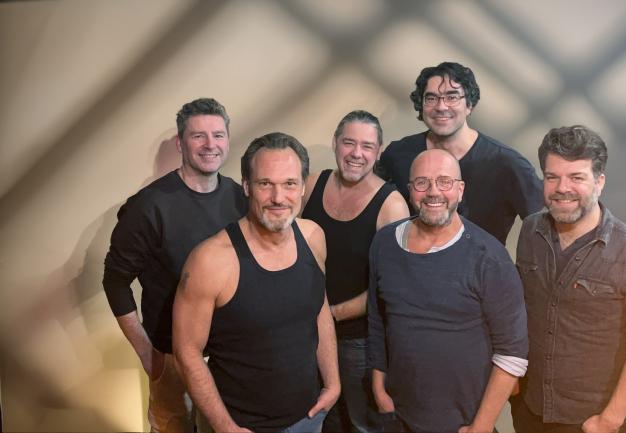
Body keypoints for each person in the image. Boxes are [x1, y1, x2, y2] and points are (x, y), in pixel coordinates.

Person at [173, 132, 340, 433]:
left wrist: (333, 382)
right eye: (265, 184)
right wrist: (224, 427)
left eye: (289, 184)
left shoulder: (313, 236)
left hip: (308, 417)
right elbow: (187, 351)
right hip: (239, 426)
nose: (278, 198)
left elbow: (319, 308)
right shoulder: (210, 260)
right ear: (247, 186)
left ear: (303, 186)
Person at [513, 126, 626, 433]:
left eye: (576, 177)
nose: (562, 188)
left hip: (591, 422)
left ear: (599, 182)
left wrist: (609, 420)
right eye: (552, 177)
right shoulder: (531, 231)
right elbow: (521, 311)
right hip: (530, 411)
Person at [102, 98, 247, 432]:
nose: (210, 144)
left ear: (227, 140)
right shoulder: (148, 206)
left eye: (218, 135)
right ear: (181, 143)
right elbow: (115, 281)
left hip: (228, 355)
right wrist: (146, 354)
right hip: (171, 356)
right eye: (198, 136)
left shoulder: (239, 197)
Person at [367, 149, 528, 433]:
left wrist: (481, 427)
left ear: (460, 190)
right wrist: (380, 389)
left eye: (445, 182)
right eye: (422, 182)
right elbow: (378, 319)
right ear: (410, 190)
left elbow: (512, 353)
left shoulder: (489, 258)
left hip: (463, 424)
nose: (433, 192)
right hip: (397, 417)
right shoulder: (385, 243)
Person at [302, 111, 409, 433]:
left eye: (367, 146)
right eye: (349, 142)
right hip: (305, 334)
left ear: (379, 151)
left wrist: (330, 315)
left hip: (358, 340)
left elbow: (390, 286)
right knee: (318, 421)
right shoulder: (311, 184)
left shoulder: (391, 205)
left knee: (362, 424)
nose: (356, 153)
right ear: (335, 143)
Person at [377, 61, 543, 245]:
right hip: (407, 261)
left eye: (452, 97)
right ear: (421, 105)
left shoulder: (506, 163)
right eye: (431, 98)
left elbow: (548, 229)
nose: (441, 107)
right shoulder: (398, 154)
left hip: (482, 263)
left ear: (469, 104)